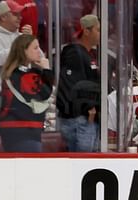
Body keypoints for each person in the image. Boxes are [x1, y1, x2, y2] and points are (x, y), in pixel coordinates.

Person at [0, 32, 50, 152]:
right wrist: (47, 70)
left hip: (11, 127)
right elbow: (45, 93)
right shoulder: (26, 75)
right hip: (25, 128)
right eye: (35, 48)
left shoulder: (10, 73)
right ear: (24, 51)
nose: (39, 52)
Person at [56, 14, 101, 152]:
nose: (100, 34)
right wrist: (89, 109)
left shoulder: (85, 54)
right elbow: (73, 85)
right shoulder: (74, 54)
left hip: (83, 118)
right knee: (83, 163)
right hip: (80, 120)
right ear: (86, 31)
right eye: (97, 30)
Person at [0, 0, 28, 132]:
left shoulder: (20, 36)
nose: (20, 17)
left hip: (21, 95)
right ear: (3, 16)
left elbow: (39, 59)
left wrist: (29, 40)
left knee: (15, 137)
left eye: (20, 14)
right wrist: (20, 44)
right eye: (15, 14)